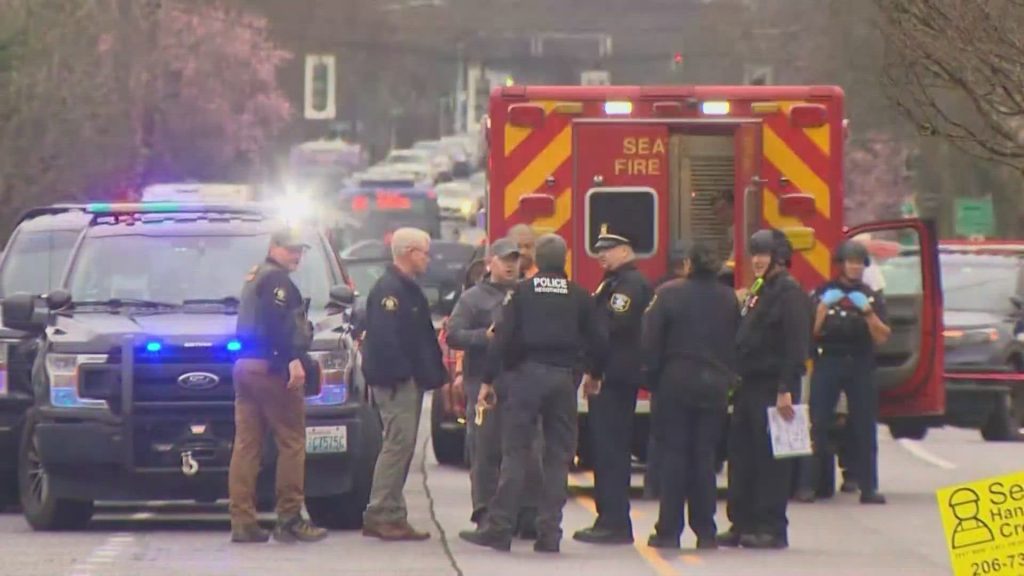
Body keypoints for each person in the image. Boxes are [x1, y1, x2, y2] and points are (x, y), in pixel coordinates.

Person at [460, 233, 608, 554]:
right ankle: (549, 533)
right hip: (563, 380)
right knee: (558, 457)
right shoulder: (580, 295)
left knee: (515, 453)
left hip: (525, 379)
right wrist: (593, 374)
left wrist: (487, 381)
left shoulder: (521, 294)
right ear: (565, 260)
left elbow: (502, 338)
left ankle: (500, 529)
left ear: (537, 261)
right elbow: (599, 339)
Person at [229, 227, 328, 544]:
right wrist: (291, 359)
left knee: (247, 445)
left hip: (245, 366)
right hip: (271, 368)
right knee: (292, 441)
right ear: (274, 247)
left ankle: (243, 521)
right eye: (290, 249)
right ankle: (289, 518)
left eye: (300, 250)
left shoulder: (255, 276)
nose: (296, 255)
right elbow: (277, 324)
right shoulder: (276, 280)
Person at [718, 229, 812, 550]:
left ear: (779, 258)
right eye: (754, 254)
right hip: (748, 385)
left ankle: (771, 528)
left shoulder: (790, 293)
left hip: (774, 388)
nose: (757, 260)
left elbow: (796, 346)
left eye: (764, 254)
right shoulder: (760, 289)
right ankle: (742, 523)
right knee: (742, 456)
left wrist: (786, 389)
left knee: (771, 461)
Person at [643, 243, 740, 550]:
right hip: (714, 385)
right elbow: (736, 341)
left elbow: (650, 341)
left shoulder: (668, 294)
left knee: (674, 456)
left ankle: (669, 531)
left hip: (676, 382)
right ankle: (706, 531)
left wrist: (652, 379)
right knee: (704, 457)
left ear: (688, 264)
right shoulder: (729, 298)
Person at [445, 238, 543, 533]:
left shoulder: (528, 294)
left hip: (523, 382)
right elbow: (453, 335)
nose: (511, 265)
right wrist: (484, 337)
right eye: (505, 259)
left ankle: (527, 515)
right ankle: (485, 514)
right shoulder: (473, 298)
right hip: (483, 383)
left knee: (529, 449)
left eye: (515, 260)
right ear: (490, 263)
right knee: (485, 448)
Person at [361, 227, 447, 541]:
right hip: (396, 382)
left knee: (404, 446)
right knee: (397, 446)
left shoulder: (406, 288)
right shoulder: (390, 291)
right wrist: (401, 375)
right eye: (425, 253)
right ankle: (380, 513)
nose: (428, 259)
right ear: (410, 253)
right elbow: (386, 339)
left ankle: (394, 514)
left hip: (407, 379)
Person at [574, 226, 653, 545]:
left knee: (611, 452)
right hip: (612, 375)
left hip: (615, 378)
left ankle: (614, 522)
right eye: (598, 250)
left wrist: (594, 371)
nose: (601, 255)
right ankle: (608, 517)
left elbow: (611, 330)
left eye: (607, 250)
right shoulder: (614, 282)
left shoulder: (629, 285)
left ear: (625, 251)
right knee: (606, 450)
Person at [804, 240, 891, 505]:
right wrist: (822, 308)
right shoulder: (823, 292)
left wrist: (868, 312)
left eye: (859, 263)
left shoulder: (871, 296)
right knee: (818, 423)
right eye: (850, 262)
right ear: (840, 264)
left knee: (864, 425)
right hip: (828, 361)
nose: (855, 267)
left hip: (860, 363)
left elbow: (882, 336)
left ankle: (868, 487)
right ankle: (809, 485)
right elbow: (810, 332)